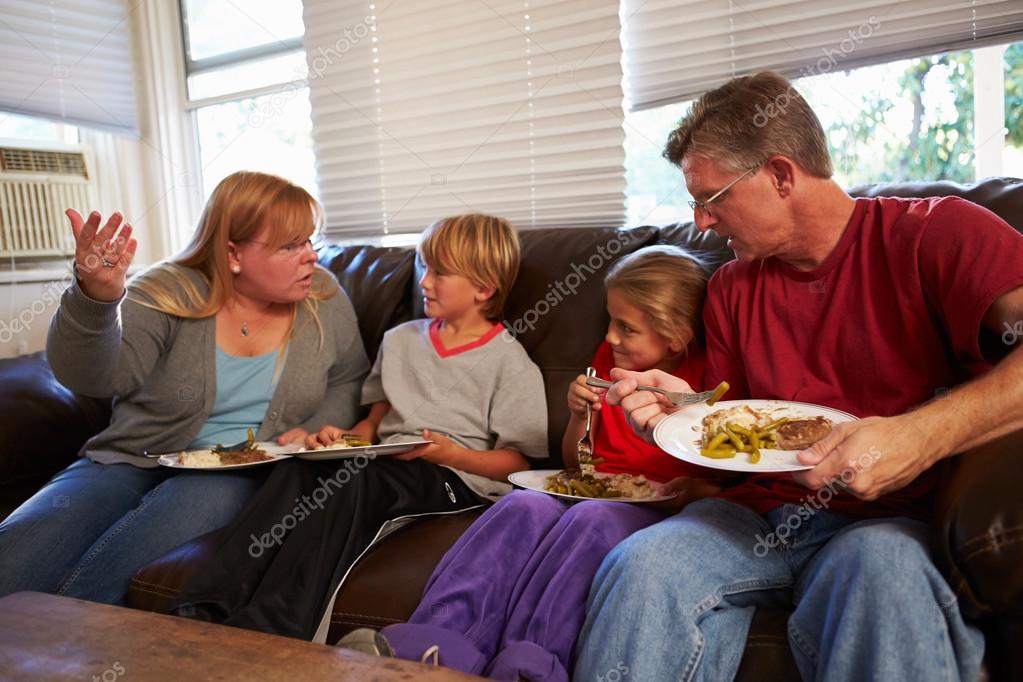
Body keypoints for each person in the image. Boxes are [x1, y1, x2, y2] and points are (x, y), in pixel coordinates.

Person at [574, 71, 1023, 682]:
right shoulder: (732, 286)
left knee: (887, 575)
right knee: (640, 566)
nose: (702, 223)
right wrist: (688, 409)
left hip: (880, 522)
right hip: (746, 520)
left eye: (713, 198)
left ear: (782, 175)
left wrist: (918, 435)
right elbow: (737, 426)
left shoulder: (936, 234)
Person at [338, 245, 725, 680]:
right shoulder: (609, 361)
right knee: (522, 505)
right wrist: (580, 415)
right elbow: (576, 464)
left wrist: (695, 492)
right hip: (594, 489)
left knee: (591, 521)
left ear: (674, 336)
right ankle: (434, 645)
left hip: (652, 507)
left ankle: (533, 661)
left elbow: (722, 476)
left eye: (625, 328)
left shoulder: (704, 383)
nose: (610, 337)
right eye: (610, 320)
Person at [171, 213, 549, 641]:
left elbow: (519, 463)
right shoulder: (401, 339)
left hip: (456, 479)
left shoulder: (509, 362)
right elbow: (375, 421)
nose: (423, 282)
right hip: (383, 460)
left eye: (439, 273)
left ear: (484, 288)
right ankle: (203, 603)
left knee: (356, 482)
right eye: (424, 268)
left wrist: (450, 454)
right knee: (299, 467)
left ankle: (276, 624)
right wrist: (343, 440)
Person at [0, 171, 369, 605]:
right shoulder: (164, 292)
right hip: (128, 458)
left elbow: (348, 379)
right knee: (26, 545)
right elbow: (95, 379)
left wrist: (310, 427)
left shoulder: (323, 295)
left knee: (125, 563)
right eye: (291, 246)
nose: (311, 256)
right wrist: (95, 300)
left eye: (309, 240)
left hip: (233, 471)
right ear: (232, 252)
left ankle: (64, 655)